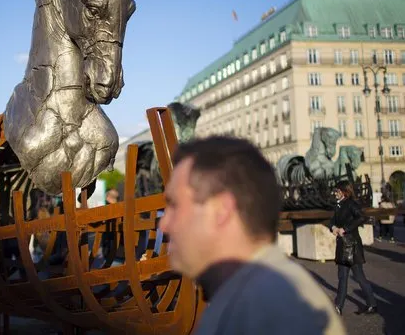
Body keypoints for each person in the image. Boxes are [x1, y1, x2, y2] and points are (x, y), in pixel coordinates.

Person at [158, 136, 345, 335]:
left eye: (175, 205)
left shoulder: (267, 311)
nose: (164, 224)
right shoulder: (254, 296)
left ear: (221, 210)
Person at [330, 180, 377, 315]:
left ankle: (372, 304)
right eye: (335, 190)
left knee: (359, 277)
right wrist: (332, 227)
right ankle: (338, 306)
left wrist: (345, 229)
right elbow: (332, 220)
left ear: (345, 192)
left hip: (353, 245)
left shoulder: (351, 204)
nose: (335, 193)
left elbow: (361, 217)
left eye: (337, 191)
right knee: (342, 277)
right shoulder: (338, 205)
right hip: (342, 245)